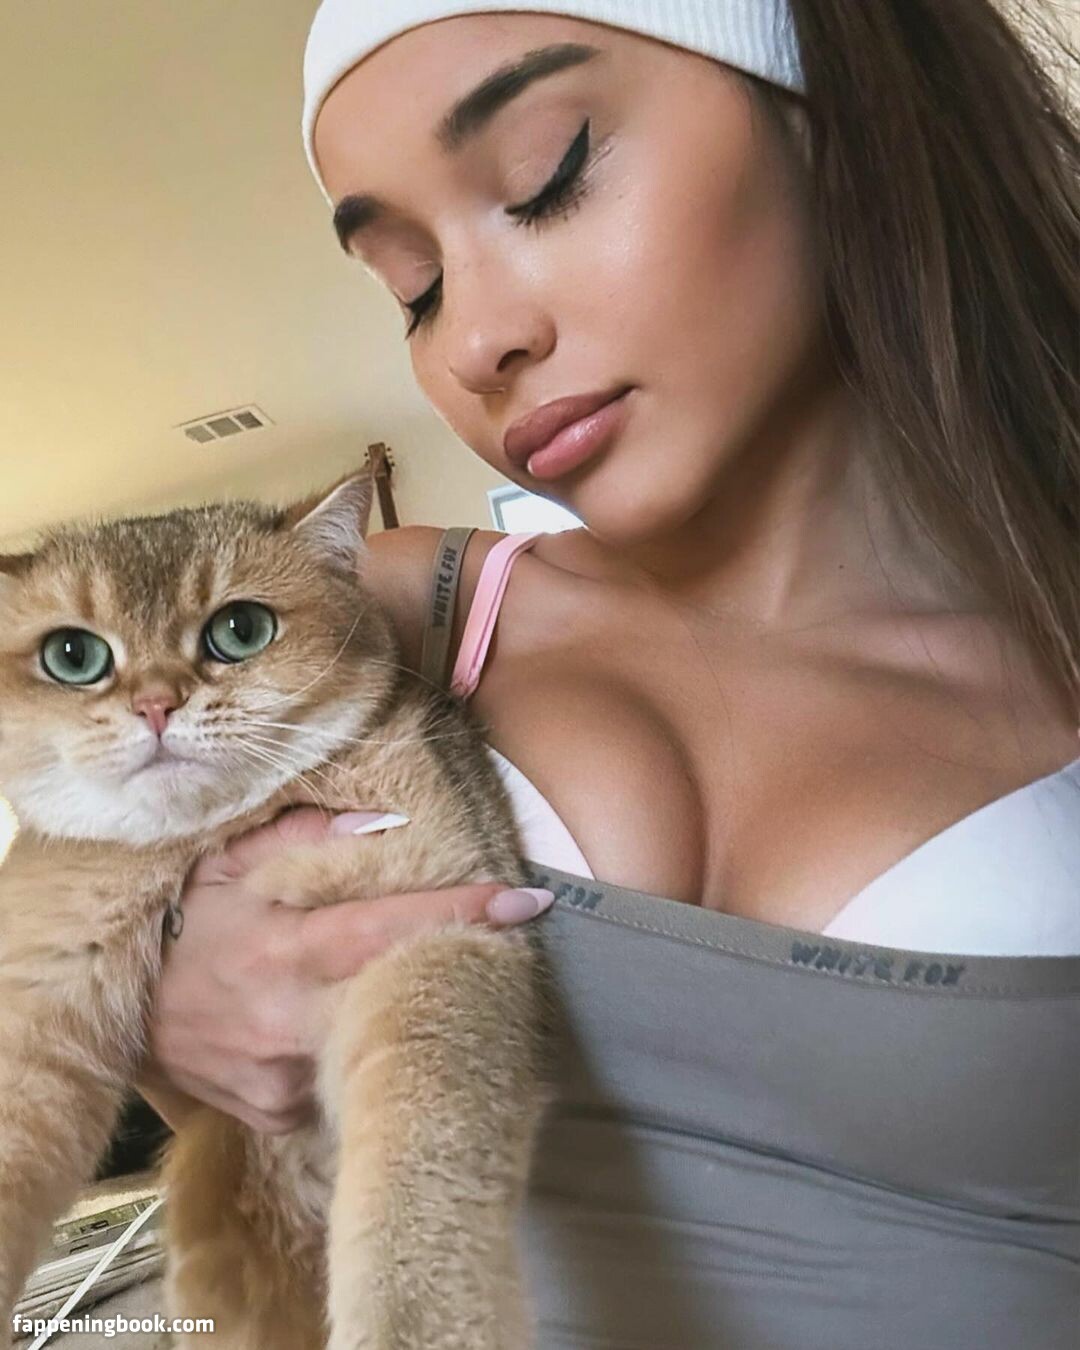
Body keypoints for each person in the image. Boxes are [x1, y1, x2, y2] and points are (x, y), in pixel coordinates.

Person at [139, 1, 1080, 1344]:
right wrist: (147, 974)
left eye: (549, 176)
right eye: (415, 287)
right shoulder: (394, 617)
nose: (472, 342)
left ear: (830, 110)